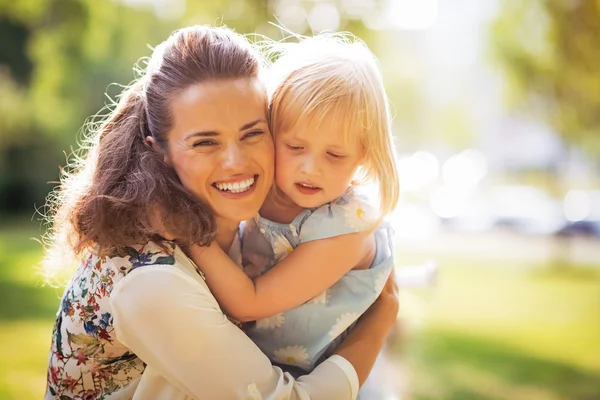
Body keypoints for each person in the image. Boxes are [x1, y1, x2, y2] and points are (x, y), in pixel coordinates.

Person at [43, 25, 399, 400]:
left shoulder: (251, 223)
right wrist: (379, 322)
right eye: (204, 142)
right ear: (159, 149)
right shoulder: (152, 279)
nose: (236, 162)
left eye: (252, 134)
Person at [184, 32, 400, 377]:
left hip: (307, 377)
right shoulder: (263, 188)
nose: (310, 167)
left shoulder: (347, 228)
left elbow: (248, 303)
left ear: (363, 156)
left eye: (334, 154)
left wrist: (190, 236)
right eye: (295, 147)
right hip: (248, 361)